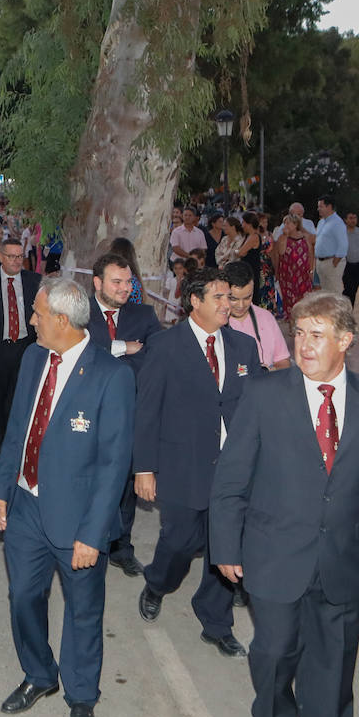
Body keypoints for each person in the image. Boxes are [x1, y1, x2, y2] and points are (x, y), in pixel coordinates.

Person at [210, 291, 359, 717]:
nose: (304, 345)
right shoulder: (263, 393)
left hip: (340, 564)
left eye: (317, 335)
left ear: (346, 340)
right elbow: (231, 479)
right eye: (299, 334)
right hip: (274, 557)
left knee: (334, 671)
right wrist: (226, 545)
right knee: (273, 658)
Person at [0, 276, 135, 717]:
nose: (30, 320)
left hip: (78, 518)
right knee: (24, 598)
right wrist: (0, 487)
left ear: (61, 320)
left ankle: (81, 695)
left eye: (36, 313)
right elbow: (17, 428)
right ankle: (38, 674)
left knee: (83, 610)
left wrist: (93, 534)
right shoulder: (34, 358)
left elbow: (114, 464)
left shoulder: (112, 375)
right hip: (26, 505)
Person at [133, 267, 256, 660]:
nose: (229, 305)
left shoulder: (243, 348)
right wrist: (144, 468)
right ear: (195, 301)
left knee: (227, 545)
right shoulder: (166, 346)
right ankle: (157, 582)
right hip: (182, 466)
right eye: (219, 298)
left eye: (231, 298)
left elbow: (254, 407)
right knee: (181, 541)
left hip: (232, 469)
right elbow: (147, 410)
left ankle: (215, 621)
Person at [87, 252, 161, 577]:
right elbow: (79, 355)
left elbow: (156, 360)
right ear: (98, 282)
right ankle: (89, 542)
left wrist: (104, 350)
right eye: (117, 281)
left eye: (128, 281)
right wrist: (123, 347)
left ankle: (121, 548)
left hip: (130, 416)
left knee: (125, 489)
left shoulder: (144, 314)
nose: (124, 288)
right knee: (89, 485)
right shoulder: (79, 312)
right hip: (87, 417)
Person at [0, 238, 43, 458]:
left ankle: (20, 443)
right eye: (12, 257)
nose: (17, 261)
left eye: (20, 256)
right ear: (1, 257)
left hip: (26, 347)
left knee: (21, 397)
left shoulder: (35, 281)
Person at [224, 262, 290, 371]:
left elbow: (283, 361)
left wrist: (267, 372)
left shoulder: (266, 317)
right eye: (234, 299)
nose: (241, 305)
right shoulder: (216, 323)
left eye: (247, 298)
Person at [270, 214, 314, 320]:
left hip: (303, 275)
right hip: (287, 275)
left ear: (295, 224)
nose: (286, 225)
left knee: (303, 299)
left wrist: (311, 270)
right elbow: (280, 252)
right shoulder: (282, 238)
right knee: (289, 299)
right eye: (284, 223)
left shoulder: (305, 237)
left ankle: (301, 321)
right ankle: (292, 323)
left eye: (288, 223)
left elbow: (310, 254)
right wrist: (285, 236)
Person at [313, 196, 348, 296]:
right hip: (321, 263)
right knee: (325, 293)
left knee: (335, 292)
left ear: (329, 207)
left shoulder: (337, 223)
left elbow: (343, 245)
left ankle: (340, 312)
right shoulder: (321, 222)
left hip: (332, 263)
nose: (318, 209)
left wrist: (335, 263)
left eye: (321, 206)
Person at [342, 213, 359, 306]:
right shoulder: (342, 233)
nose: (353, 220)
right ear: (346, 220)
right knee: (348, 289)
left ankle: (349, 309)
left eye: (355, 218)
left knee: (354, 290)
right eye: (350, 218)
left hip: (358, 265)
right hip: (345, 264)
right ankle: (346, 308)